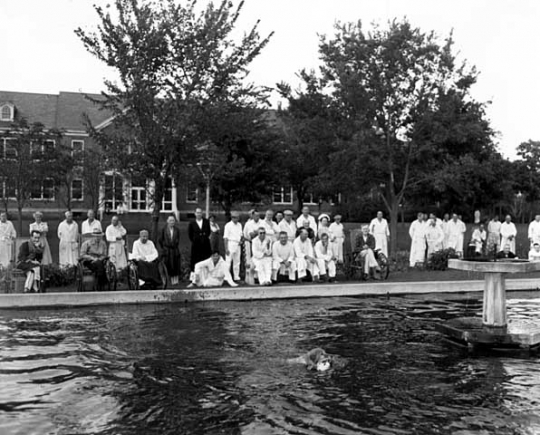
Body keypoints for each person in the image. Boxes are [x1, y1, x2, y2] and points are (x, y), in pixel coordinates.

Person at [188, 208, 212, 276]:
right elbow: (190, 235)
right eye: (197, 213)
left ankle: (206, 276)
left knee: (206, 260)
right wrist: (196, 240)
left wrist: (204, 239)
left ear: (202, 213)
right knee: (195, 261)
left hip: (205, 245)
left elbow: (208, 232)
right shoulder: (192, 223)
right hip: (196, 245)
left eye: (200, 213)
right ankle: (194, 277)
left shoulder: (206, 222)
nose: (199, 214)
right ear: (195, 213)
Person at [158, 215, 182, 285]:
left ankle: (175, 281)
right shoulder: (163, 229)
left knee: (175, 265)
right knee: (167, 265)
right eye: (170, 220)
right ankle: (166, 281)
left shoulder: (177, 230)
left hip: (174, 250)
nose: (172, 222)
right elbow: (160, 240)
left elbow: (178, 239)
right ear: (167, 221)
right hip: (167, 250)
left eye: (173, 221)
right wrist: (164, 247)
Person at [223, 211, 243, 282]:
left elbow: (240, 234)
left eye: (237, 218)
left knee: (237, 261)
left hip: (238, 244)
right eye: (235, 218)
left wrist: (240, 240)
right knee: (228, 261)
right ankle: (226, 277)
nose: (236, 219)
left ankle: (236, 277)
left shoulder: (239, 225)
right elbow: (225, 237)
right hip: (230, 243)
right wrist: (226, 248)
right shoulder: (228, 225)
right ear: (232, 218)